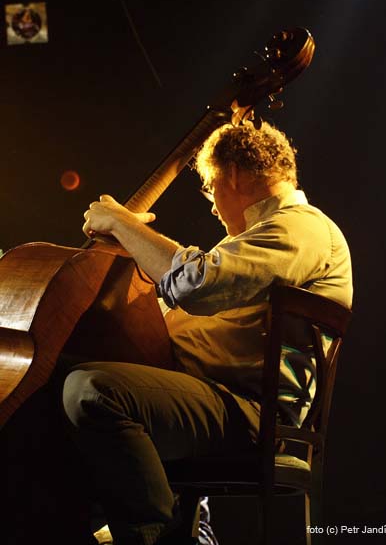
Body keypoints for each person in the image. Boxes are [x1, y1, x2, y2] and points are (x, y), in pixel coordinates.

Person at [59, 118, 352, 545]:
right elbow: (181, 297)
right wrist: (131, 246)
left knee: (93, 390)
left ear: (231, 174)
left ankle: (162, 536)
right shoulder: (255, 240)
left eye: (209, 187)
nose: (212, 206)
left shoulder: (301, 226)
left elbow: (197, 283)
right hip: (213, 398)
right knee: (59, 379)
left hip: (248, 414)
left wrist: (124, 224)